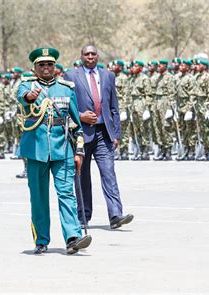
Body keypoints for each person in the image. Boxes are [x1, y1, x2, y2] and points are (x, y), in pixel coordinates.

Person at [17, 47, 92, 255]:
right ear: (34, 68)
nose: (47, 68)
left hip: (62, 149)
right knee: (39, 197)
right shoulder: (26, 86)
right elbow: (23, 97)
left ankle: (73, 237)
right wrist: (30, 97)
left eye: (50, 64)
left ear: (55, 67)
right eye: (42, 65)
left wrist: (79, 152)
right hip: (36, 150)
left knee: (67, 194)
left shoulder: (66, 89)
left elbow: (76, 123)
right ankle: (41, 240)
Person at [64, 45, 133, 229]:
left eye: (93, 54)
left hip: (104, 133)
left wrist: (116, 133)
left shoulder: (108, 76)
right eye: (87, 54)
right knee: (82, 176)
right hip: (81, 133)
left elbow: (113, 107)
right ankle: (83, 216)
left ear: (97, 56)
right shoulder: (71, 76)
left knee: (109, 173)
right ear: (81, 57)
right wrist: (81, 116)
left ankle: (115, 214)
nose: (90, 57)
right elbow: (65, 107)